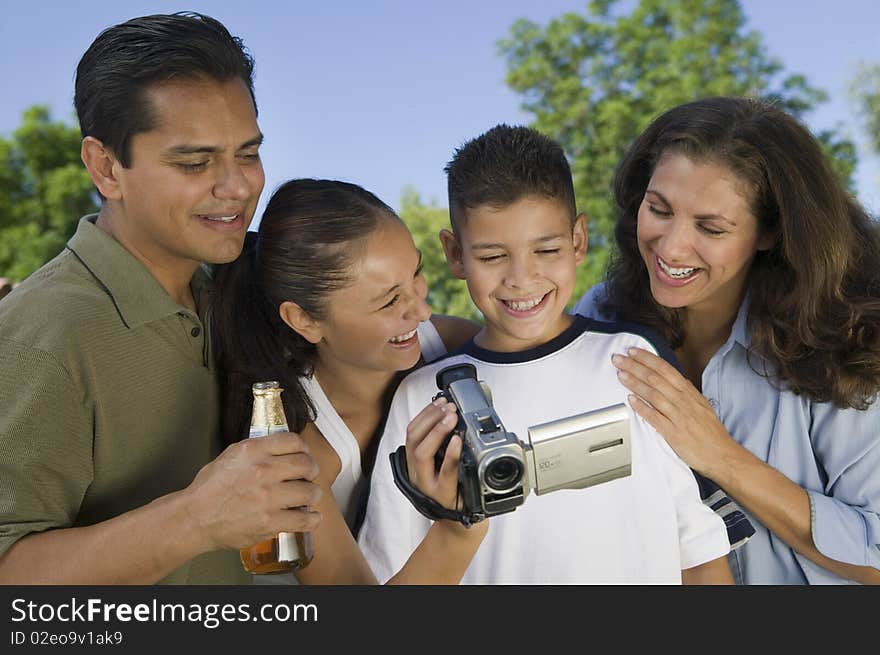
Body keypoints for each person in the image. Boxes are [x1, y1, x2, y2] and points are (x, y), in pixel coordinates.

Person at [0, 12, 320, 584]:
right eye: (195, 162)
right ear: (105, 167)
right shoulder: (41, 333)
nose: (239, 186)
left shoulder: (229, 294)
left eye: (247, 153)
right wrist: (195, 519)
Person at [358, 124, 735, 584]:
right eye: (493, 257)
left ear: (578, 241)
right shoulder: (422, 402)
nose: (522, 278)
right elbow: (388, 575)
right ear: (456, 255)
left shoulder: (635, 361)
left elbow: (701, 549)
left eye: (547, 249)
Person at [574, 96, 880, 585]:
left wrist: (720, 456)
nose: (671, 246)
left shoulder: (847, 339)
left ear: (770, 231)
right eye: (658, 209)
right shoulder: (603, 314)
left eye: (710, 227)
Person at [211, 178, 487, 584]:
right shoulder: (299, 448)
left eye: (416, 273)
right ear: (305, 320)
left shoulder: (453, 345)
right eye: (390, 300)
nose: (422, 311)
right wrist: (458, 528)